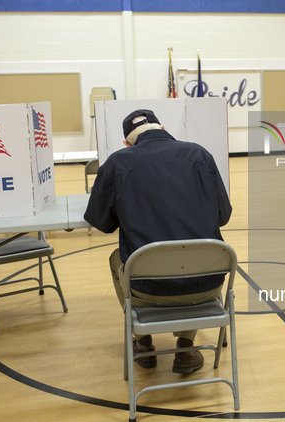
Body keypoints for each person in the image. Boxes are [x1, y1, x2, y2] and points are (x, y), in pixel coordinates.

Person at [84, 109, 232, 374]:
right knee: (192, 259)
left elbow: (102, 223)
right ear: (163, 128)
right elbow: (223, 215)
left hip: (147, 288)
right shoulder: (200, 154)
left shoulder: (117, 162)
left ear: (127, 143)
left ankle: (142, 342)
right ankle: (186, 347)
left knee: (116, 259)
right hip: (207, 285)